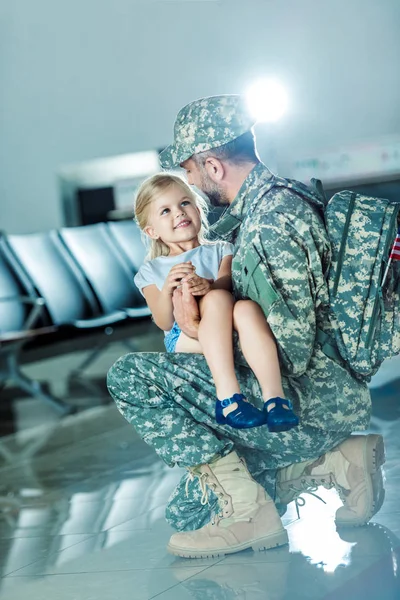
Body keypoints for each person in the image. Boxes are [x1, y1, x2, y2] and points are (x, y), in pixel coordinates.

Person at [107, 95, 385, 559]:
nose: (190, 186)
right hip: (306, 394)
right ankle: (336, 463)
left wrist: (196, 328)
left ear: (213, 167)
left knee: (129, 375)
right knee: (188, 512)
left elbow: (290, 346)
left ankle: (249, 513)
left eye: (190, 173)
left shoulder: (270, 222)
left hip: (300, 402)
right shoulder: (259, 212)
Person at [133, 172, 299, 431]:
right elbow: (163, 321)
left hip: (227, 321)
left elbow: (227, 287)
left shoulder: (222, 250)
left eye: (185, 203)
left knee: (245, 307)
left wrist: (207, 286)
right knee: (220, 298)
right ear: (152, 231)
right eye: (165, 210)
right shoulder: (151, 271)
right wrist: (168, 289)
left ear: (199, 210)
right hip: (185, 336)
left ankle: (275, 400)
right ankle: (229, 398)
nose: (179, 213)